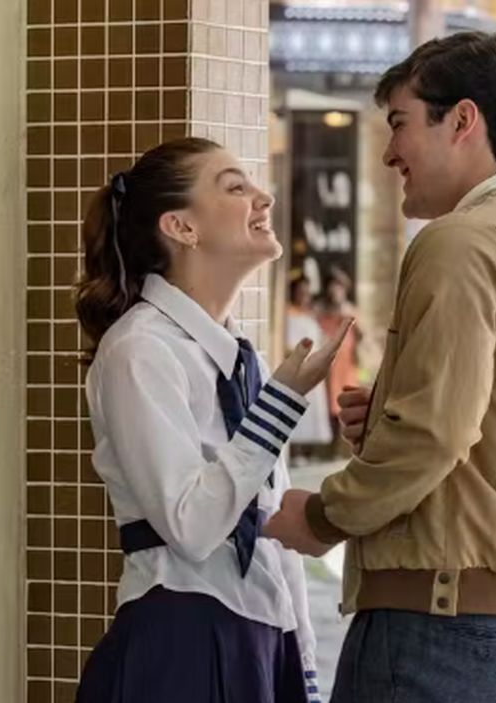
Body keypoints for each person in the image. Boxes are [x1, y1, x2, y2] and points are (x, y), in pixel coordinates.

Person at [264, 31, 496, 702]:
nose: (388, 151)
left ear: (462, 120)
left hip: (435, 633)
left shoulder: (458, 243)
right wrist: (396, 408)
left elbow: (435, 433)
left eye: (399, 123)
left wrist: (319, 518)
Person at [73, 137, 351, 703]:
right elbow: (192, 526)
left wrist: (304, 669)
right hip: (178, 640)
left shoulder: (244, 359)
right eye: (235, 187)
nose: (263, 197)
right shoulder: (139, 350)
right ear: (181, 227)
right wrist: (280, 404)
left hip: (261, 640)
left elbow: (269, 529)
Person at [286, 276, 334, 461]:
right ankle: (295, 450)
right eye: (301, 291)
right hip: (297, 364)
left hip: (313, 362)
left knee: (313, 407)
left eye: (307, 292)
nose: (304, 295)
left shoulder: (311, 314)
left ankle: (309, 451)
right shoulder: (287, 313)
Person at [316, 267, 362, 452]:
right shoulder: (321, 309)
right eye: (332, 285)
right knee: (328, 401)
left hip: (346, 362)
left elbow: (362, 334)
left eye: (339, 286)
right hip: (329, 360)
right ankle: (328, 446)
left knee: (344, 398)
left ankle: (341, 448)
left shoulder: (350, 309)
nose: (335, 290)